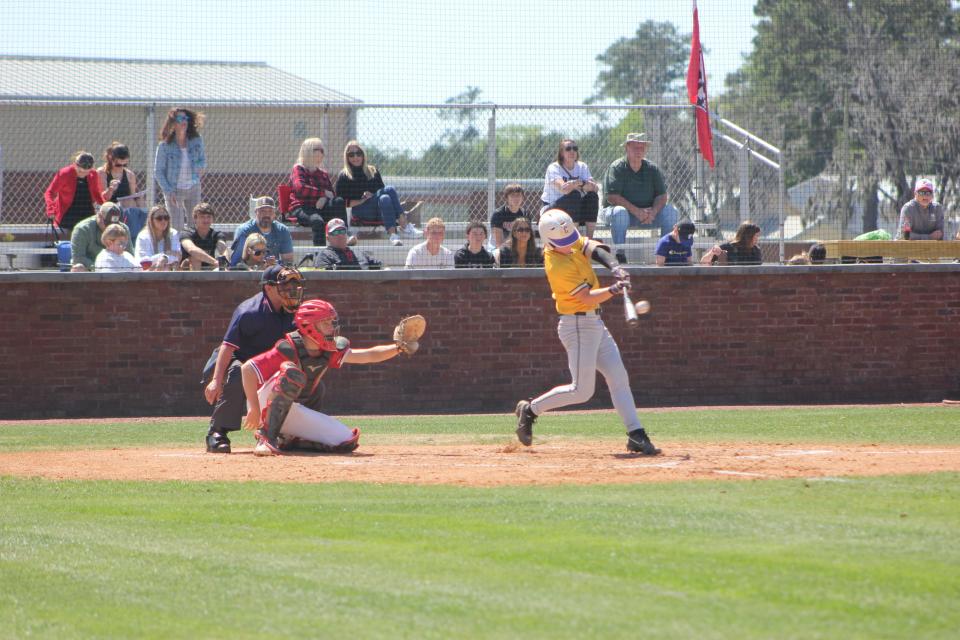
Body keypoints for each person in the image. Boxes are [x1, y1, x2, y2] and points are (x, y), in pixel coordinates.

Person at [514, 209, 660, 455]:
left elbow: (594, 249)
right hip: (577, 325)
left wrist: (615, 268)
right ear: (548, 240)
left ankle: (636, 434)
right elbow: (584, 297)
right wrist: (614, 289)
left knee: (618, 377)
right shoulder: (556, 264)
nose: (569, 244)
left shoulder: (570, 242)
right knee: (582, 390)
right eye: (563, 242)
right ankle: (530, 410)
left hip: (595, 324)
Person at [241, 299, 415, 456]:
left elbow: (367, 355)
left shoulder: (330, 349)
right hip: (263, 403)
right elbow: (248, 369)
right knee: (290, 372)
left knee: (345, 441)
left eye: (331, 322)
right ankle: (265, 438)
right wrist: (254, 409)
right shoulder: (288, 348)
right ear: (309, 326)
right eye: (325, 323)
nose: (331, 327)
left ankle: (287, 438)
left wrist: (398, 348)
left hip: (291, 407)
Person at [203, 265, 305, 453]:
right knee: (236, 374)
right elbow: (227, 347)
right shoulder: (249, 312)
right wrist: (216, 381)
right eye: (284, 286)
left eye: (294, 285)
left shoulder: (295, 312)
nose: (291, 291)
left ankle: (290, 433)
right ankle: (217, 432)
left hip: (268, 362)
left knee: (297, 375)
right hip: (237, 359)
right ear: (268, 288)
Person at [601, 132, 679, 264]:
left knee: (671, 212)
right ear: (627, 148)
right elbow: (612, 197)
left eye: (642, 147)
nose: (639, 151)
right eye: (635, 147)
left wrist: (653, 212)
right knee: (620, 212)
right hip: (618, 214)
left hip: (648, 215)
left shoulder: (652, 168)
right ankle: (620, 255)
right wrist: (637, 211)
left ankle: (664, 254)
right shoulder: (617, 167)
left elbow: (662, 195)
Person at [335, 140, 422, 247]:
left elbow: (382, 195)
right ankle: (404, 224)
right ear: (347, 157)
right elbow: (341, 202)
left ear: (363, 154)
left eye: (358, 153)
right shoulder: (344, 175)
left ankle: (394, 236)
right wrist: (362, 200)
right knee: (389, 189)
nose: (355, 157)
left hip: (379, 210)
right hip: (361, 212)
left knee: (385, 197)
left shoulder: (372, 171)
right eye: (351, 154)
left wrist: (373, 196)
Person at [288, 137, 347, 246]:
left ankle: (345, 238)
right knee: (317, 221)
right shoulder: (299, 169)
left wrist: (324, 198)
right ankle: (320, 256)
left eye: (322, 150)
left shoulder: (323, 173)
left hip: (320, 207)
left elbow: (331, 194)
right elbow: (301, 188)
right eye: (317, 150)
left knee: (338, 201)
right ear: (307, 151)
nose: (321, 153)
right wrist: (322, 194)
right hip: (302, 207)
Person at [155, 108, 206, 231]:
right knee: (176, 227)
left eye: (186, 118)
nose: (184, 121)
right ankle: (176, 249)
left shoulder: (196, 140)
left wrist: (201, 168)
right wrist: (169, 191)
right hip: (174, 189)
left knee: (195, 224)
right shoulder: (164, 145)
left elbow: (202, 159)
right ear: (173, 123)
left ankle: (192, 249)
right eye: (180, 119)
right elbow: (158, 171)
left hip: (193, 187)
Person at [541, 138, 600, 238]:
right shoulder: (554, 167)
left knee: (592, 196)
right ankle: (574, 239)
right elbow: (564, 189)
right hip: (552, 210)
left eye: (575, 148)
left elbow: (594, 188)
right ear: (561, 153)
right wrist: (582, 184)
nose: (572, 151)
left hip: (575, 209)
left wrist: (576, 183)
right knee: (574, 194)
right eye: (568, 149)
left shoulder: (582, 166)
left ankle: (590, 239)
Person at [97, 142, 147, 242]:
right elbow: (102, 199)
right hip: (108, 209)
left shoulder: (129, 175)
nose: (121, 167)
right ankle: (132, 239)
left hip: (126, 210)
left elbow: (132, 197)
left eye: (125, 164)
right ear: (111, 159)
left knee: (140, 206)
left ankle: (137, 239)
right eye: (118, 164)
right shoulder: (102, 173)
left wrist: (140, 200)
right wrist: (111, 189)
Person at [44, 151, 105, 234]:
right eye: (80, 171)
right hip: (68, 215)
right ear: (75, 165)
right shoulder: (65, 173)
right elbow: (50, 192)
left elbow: (96, 194)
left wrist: (105, 206)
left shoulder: (93, 174)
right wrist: (51, 209)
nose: (83, 174)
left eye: (86, 172)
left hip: (86, 212)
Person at [229, 196, 294, 267]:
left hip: (273, 271)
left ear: (274, 213)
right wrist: (261, 266)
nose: (266, 214)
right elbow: (237, 262)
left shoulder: (282, 230)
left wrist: (275, 265)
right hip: (250, 272)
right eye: (263, 211)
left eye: (270, 211)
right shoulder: (244, 230)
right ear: (256, 212)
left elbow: (288, 260)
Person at [69, 202, 128, 272]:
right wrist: (101, 268)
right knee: (78, 267)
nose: (111, 227)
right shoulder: (82, 229)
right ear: (99, 216)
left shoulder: (122, 229)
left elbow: (130, 253)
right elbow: (78, 258)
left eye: (115, 224)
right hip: (91, 271)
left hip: (118, 269)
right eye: (108, 224)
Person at [313, 218, 382, 270]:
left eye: (342, 231)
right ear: (328, 238)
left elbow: (380, 267)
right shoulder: (324, 256)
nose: (340, 235)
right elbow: (323, 282)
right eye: (336, 232)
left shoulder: (359, 253)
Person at [180, 202, 228, 270]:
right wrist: (214, 262)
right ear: (195, 218)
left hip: (209, 266)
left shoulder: (216, 234)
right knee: (195, 258)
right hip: (188, 271)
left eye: (209, 217)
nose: (206, 220)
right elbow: (191, 249)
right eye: (202, 217)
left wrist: (224, 261)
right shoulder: (187, 233)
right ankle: (196, 280)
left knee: (222, 260)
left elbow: (223, 249)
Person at [135, 205, 181, 271]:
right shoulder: (143, 236)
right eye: (159, 218)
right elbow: (143, 262)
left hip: (169, 273)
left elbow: (178, 256)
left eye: (166, 217)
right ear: (151, 220)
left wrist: (165, 259)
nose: (163, 221)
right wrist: (163, 256)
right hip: (147, 275)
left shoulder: (173, 233)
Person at [490, 183, 527, 247]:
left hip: (516, 247)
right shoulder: (498, 214)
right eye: (512, 195)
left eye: (518, 195)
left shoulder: (525, 214)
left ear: (522, 198)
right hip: (496, 248)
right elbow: (498, 243)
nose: (516, 198)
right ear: (507, 198)